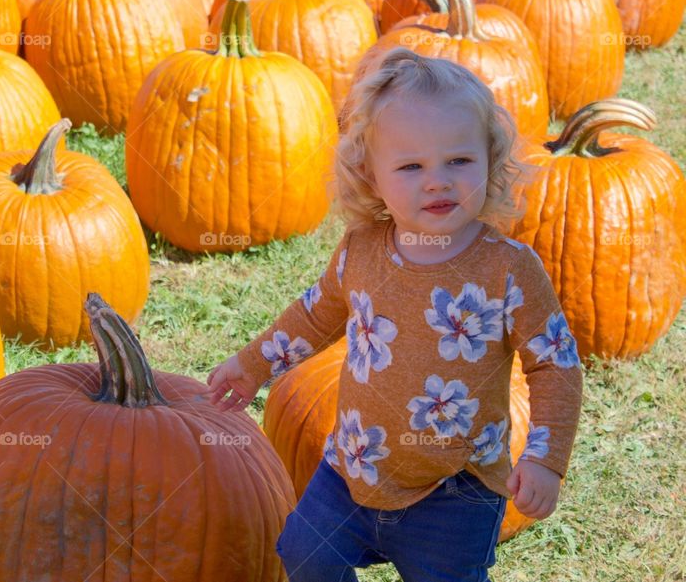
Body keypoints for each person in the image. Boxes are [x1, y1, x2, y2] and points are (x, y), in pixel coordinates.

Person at [205, 47, 584, 582]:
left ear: (490, 160)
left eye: (459, 160)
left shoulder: (508, 269)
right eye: (411, 166)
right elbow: (313, 318)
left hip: (456, 487)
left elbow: (555, 365)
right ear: (371, 175)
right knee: (304, 554)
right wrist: (252, 366)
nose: (438, 180)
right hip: (351, 468)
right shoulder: (361, 251)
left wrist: (545, 457)